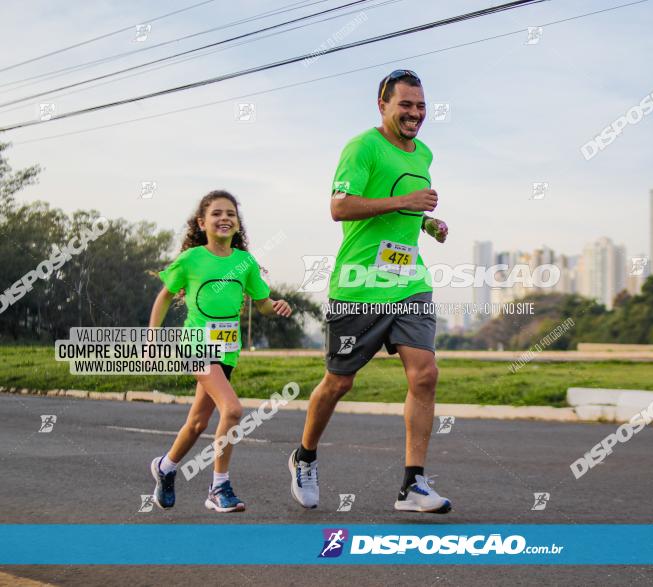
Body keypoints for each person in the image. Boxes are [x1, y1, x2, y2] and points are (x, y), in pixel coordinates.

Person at [289, 69, 451, 513]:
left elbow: (405, 208)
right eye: (405, 105)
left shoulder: (424, 154)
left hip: (408, 281)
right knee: (339, 382)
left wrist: (427, 223)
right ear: (382, 106)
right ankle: (304, 456)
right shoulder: (361, 147)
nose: (415, 114)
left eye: (420, 105)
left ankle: (412, 484)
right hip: (359, 285)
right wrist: (405, 204)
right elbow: (340, 207)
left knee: (425, 374)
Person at [148, 190, 292, 513]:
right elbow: (165, 297)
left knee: (198, 422)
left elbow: (263, 304)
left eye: (230, 213)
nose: (224, 218)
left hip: (227, 350)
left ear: (238, 224)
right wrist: (153, 336)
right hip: (197, 345)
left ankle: (166, 467)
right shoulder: (191, 259)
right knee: (233, 409)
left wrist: (276, 306)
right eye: (216, 213)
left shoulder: (245, 263)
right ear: (202, 223)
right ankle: (218, 486)